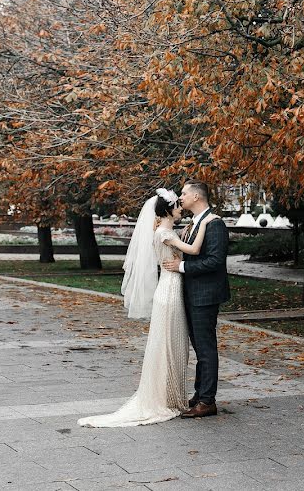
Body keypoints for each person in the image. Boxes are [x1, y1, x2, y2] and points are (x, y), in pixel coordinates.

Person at [78, 188, 203, 427]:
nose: (180, 208)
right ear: (168, 209)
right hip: (170, 291)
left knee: (172, 346)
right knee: (169, 345)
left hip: (171, 289)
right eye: (177, 205)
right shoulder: (165, 233)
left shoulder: (165, 231)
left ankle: (171, 397)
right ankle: (165, 399)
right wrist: (206, 225)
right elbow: (194, 250)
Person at [162, 180, 230, 418]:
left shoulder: (215, 224)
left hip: (205, 295)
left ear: (197, 197)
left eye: (184, 193)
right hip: (192, 294)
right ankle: (200, 394)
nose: (180, 197)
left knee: (206, 347)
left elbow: (215, 261)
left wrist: (181, 266)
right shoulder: (194, 224)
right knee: (199, 347)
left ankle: (207, 400)